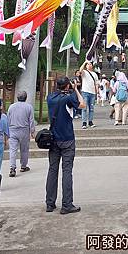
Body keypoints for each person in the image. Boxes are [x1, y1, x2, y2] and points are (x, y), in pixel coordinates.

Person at [45, 76, 85, 214]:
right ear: (67, 86)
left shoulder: (50, 98)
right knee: (67, 171)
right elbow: (82, 104)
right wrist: (76, 90)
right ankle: (67, 204)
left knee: (52, 170)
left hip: (53, 139)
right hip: (67, 138)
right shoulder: (68, 98)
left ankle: (50, 203)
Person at [7, 91, 36, 177]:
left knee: (13, 150)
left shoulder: (11, 107)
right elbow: (31, 120)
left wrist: (8, 130)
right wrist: (32, 131)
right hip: (24, 130)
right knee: (24, 149)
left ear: (17, 97)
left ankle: (12, 168)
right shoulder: (29, 107)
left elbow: (8, 118)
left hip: (13, 129)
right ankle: (23, 166)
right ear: (26, 98)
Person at [80, 61, 99, 129]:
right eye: (88, 64)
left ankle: (90, 121)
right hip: (85, 92)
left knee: (91, 108)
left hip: (92, 93)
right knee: (84, 108)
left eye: (90, 64)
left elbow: (96, 83)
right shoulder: (84, 72)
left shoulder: (94, 74)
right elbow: (80, 70)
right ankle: (84, 122)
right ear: (86, 65)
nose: (89, 65)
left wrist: (97, 92)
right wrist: (84, 62)